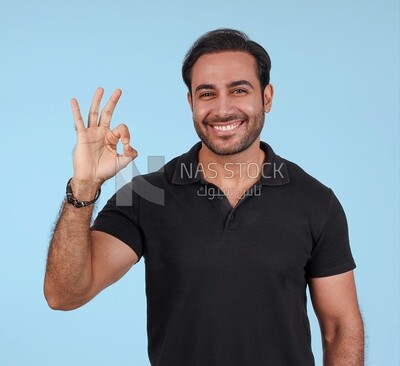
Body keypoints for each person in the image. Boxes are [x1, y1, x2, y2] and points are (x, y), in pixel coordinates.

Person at [44, 28, 364, 365]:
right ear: (191, 102)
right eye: (207, 94)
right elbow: (64, 295)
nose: (223, 109)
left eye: (239, 90)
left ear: (266, 97)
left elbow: (341, 326)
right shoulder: (145, 195)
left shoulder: (315, 201)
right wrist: (83, 186)